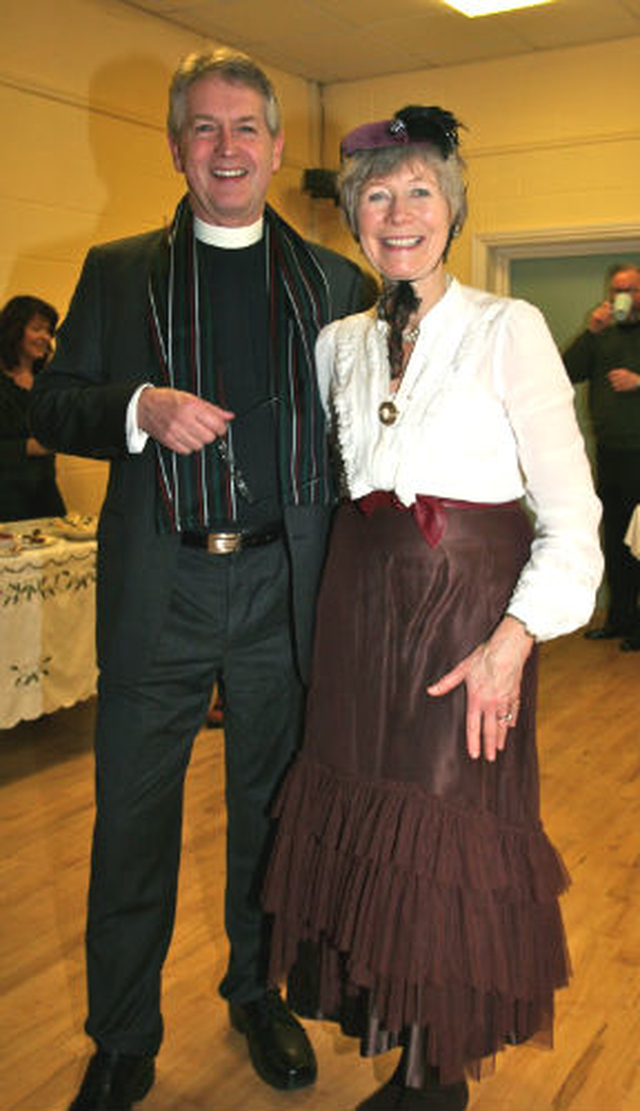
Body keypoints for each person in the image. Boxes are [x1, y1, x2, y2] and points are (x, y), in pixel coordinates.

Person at [29, 48, 370, 1111]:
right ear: (177, 148)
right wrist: (138, 407)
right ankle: (123, 1035)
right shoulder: (117, 270)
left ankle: (254, 991)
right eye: (205, 129)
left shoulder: (335, 282)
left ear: (276, 148)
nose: (227, 148)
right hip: (160, 590)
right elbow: (52, 407)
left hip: (282, 585)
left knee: (271, 814)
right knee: (132, 821)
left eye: (245, 129)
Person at [262, 106, 604, 1111]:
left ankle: (436, 1073)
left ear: (453, 211)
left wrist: (513, 642)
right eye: (376, 194)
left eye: (419, 192)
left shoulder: (510, 329)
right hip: (357, 605)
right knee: (369, 825)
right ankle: (396, 1035)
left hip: (465, 618)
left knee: (447, 835)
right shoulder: (336, 344)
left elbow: (572, 512)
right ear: (354, 219)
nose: (396, 211)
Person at [563, 263, 640, 652]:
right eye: (617, 291)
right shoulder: (601, 336)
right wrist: (589, 332)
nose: (623, 299)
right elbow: (562, 373)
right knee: (614, 541)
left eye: (631, 290)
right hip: (611, 454)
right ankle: (619, 619)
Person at [0, 295, 66, 521]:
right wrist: (27, 447)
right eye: (37, 328)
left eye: (49, 331)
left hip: (45, 498)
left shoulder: (49, 382)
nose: (45, 337)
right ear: (14, 329)